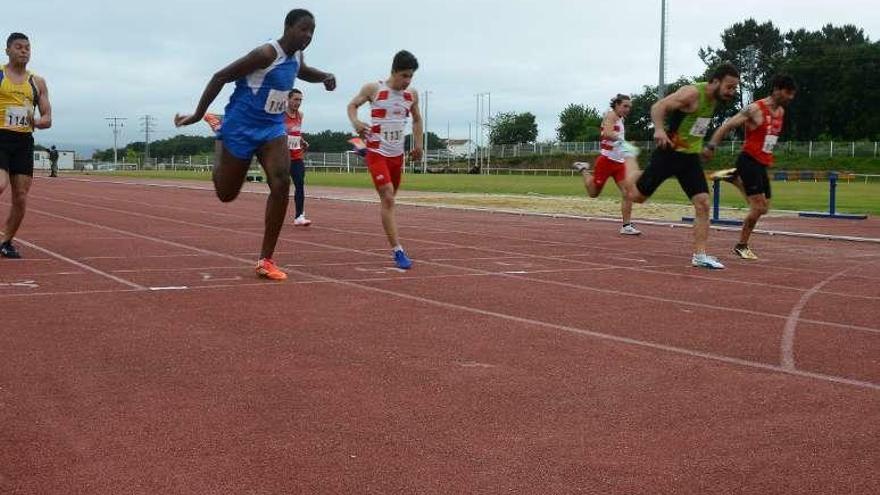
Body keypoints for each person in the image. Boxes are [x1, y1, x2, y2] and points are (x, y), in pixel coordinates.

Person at [174, 9, 335, 280]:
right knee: (226, 193)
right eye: (303, 29)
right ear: (287, 28)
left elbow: (303, 71)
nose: (307, 36)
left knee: (282, 182)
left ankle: (266, 260)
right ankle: (219, 132)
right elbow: (219, 77)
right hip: (240, 127)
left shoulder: (297, 57)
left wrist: (325, 76)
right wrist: (198, 115)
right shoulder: (265, 54)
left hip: (272, 128)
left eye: (312, 31)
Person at [626, 63, 740, 269]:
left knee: (703, 203)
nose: (731, 92)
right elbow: (658, 107)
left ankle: (700, 255)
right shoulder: (692, 93)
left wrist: (708, 146)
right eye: (729, 87)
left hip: (690, 158)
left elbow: (696, 127)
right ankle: (630, 160)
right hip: (668, 152)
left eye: (734, 89)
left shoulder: (716, 99)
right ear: (715, 81)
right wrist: (659, 130)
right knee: (637, 197)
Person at [705, 74, 797, 260]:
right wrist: (711, 146)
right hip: (748, 160)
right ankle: (741, 245)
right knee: (758, 207)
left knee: (764, 208)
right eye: (788, 93)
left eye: (793, 94)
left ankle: (734, 177)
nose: (790, 97)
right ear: (777, 89)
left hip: (761, 164)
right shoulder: (755, 109)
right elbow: (727, 126)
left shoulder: (781, 112)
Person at [347, 50, 423, 270]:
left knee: (389, 201)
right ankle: (398, 251)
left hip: (396, 155)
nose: (407, 81)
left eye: (411, 77)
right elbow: (352, 105)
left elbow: (417, 120)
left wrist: (418, 145)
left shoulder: (411, 94)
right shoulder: (374, 89)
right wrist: (356, 122)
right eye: (404, 76)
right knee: (388, 197)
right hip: (377, 151)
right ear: (394, 71)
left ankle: (361, 150)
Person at [0, 33, 52, 259]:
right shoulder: (0, 75)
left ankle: (6, 241)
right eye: (19, 47)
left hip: (23, 142)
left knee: (20, 196)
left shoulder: (37, 82)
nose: (24, 51)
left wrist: (37, 122)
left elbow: (48, 117)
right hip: (0, 137)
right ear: (8, 51)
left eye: (27, 48)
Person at [571, 94, 641, 235]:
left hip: (619, 163)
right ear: (616, 105)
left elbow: (614, 137)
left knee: (628, 193)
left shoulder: (620, 119)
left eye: (629, 107)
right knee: (593, 193)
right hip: (606, 161)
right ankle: (583, 169)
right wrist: (624, 143)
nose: (627, 109)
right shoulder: (611, 115)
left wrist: (623, 146)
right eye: (625, 106)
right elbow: (608, 133)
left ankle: (626, 226)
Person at [285, 88, 311, 226]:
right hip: (282, 157)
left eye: (300, 100)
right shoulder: (280, 115)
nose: (298, 102)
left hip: (296, 156)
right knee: (281, 187)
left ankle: (299, 215)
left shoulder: (300, 115)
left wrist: (302, 141)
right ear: (288, 100)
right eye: (295, 99)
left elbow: (296, 132)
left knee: (299, 184)